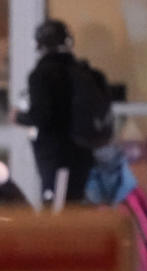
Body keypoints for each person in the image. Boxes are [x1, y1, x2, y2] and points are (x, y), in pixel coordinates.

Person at [12, 19, 95, 205]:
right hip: (81, 154)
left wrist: (18, 116)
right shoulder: (79, 71)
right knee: (74, 206)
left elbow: (43, 116)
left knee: (58, 212)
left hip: (58, 156)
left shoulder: (42, 75)